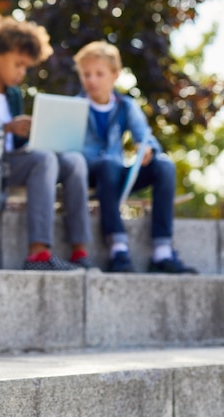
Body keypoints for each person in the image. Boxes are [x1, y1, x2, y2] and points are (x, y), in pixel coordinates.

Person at [0, 16, 92, 271]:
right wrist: (6, 128)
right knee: (44, 159)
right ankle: (38, 254)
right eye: (18, 64)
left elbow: (19, 143)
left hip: (14, 161)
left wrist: (38, 132)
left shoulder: (14, 94)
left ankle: (80, 250)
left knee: (74, 161)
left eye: (26, 67)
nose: (21, 72)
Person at [73, 40, 197, 274]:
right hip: (89, 174)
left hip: (117, 175)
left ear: (115, 75)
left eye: (99, 74)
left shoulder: (126, 106)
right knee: (108, 164)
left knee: (164, 166)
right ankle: (117, 247)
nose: (92, 80)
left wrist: (147, 149)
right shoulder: (74, 106)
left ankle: (162, 251)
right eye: (86, 74)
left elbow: (146, 137)